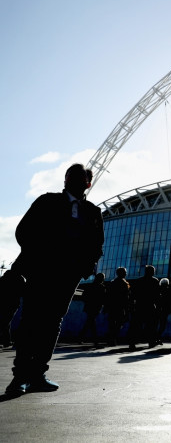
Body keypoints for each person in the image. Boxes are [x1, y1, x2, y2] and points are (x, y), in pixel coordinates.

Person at [5, 163, 104, 396]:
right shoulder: (47, 201)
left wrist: (85, 268)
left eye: (82, 178)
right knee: (31, 319)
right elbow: (23, 231)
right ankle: (20, 376)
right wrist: (40, 256)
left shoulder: (92, 212)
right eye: (72, 176)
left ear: (88, 184)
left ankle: (38, 373)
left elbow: (96, 244)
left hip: (68, 276)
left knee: (53, 322)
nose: (76, 181)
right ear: (65, 179)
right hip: (40, 271)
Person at [127, 265, 160, 349]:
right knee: (151, 325)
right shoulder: (155, 281)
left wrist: (132, 306)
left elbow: (133, 295)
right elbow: (156, 295)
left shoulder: (138, 281)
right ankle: (151, 342)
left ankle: (132, 342)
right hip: (150, 305)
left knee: (136, 325)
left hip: (139, 305)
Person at [105, 267, 130, 346]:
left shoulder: (113, 282)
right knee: (119, 323)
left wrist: (107, 306)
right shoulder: (124, 284)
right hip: (120, 306)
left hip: (112, 306)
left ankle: (111, 338)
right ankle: (112, 338)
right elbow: (126, 297)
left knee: (112, 323)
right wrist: (127, 308)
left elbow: (108, 296)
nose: (126, 273)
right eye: (125, 272)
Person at [80, 273, 106, 346]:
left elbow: (84, 296)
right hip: (96, 307)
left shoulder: (89, 286)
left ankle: (81, 337)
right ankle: (95, 340)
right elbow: (103, 299)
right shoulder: (101, 287)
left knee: (90, 321)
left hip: (89, 306)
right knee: (91, 322)